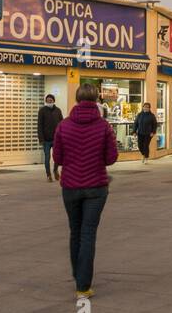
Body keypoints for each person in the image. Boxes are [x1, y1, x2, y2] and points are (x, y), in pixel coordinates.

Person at [52, 84, 118, 298]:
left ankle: (77, 275)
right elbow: (111, 158)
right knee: (88, 233)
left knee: (75, 231)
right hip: (96, 187)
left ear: (77, 99)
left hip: (70, 186)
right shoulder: (104, 126)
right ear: (97, 100)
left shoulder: (63, 125)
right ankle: (83, 286)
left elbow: (58, 158)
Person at [37, 93, 63, 182]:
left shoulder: (58, 111)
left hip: (56, 139)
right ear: (45, 101)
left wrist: (62, 136)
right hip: (46, 140)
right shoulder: (42, 111)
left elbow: (62, 124)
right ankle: (48, 175)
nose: (49, 102)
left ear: (53, 101)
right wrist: (41, 139)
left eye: (51, 101)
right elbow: (39, 125)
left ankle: (55, 170)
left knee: (57, 157)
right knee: (47, 158)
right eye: (48, 101)